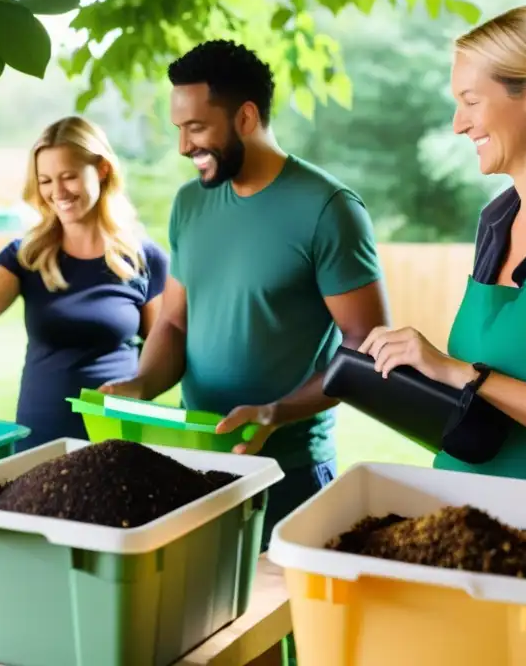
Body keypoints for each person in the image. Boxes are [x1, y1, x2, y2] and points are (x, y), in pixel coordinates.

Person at [101, 40, 390, 546]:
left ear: (246, 117)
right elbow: (173, 322)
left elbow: (365, 349)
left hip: (291, 473)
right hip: (197, 464)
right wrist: (142, 384)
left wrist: (274, 413)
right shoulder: (190, 203)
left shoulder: (329, 209)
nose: (184, 147)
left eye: (196, 128)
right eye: (179, 130)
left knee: (293, 622)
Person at [360, 5, 526, 484]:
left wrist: (459, 372)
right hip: (464, 516)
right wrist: (424, 376)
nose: (459, 124)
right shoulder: (496, 221)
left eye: (471, 101)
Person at [0, 116, 168, 451]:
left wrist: (139, 386)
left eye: (68, 177)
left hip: (116, 432)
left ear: (102, 169)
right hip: (41, 431)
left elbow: (165, 351)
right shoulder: (26, 255)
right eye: (45, 180)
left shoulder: (145, 259)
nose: (56, 192)